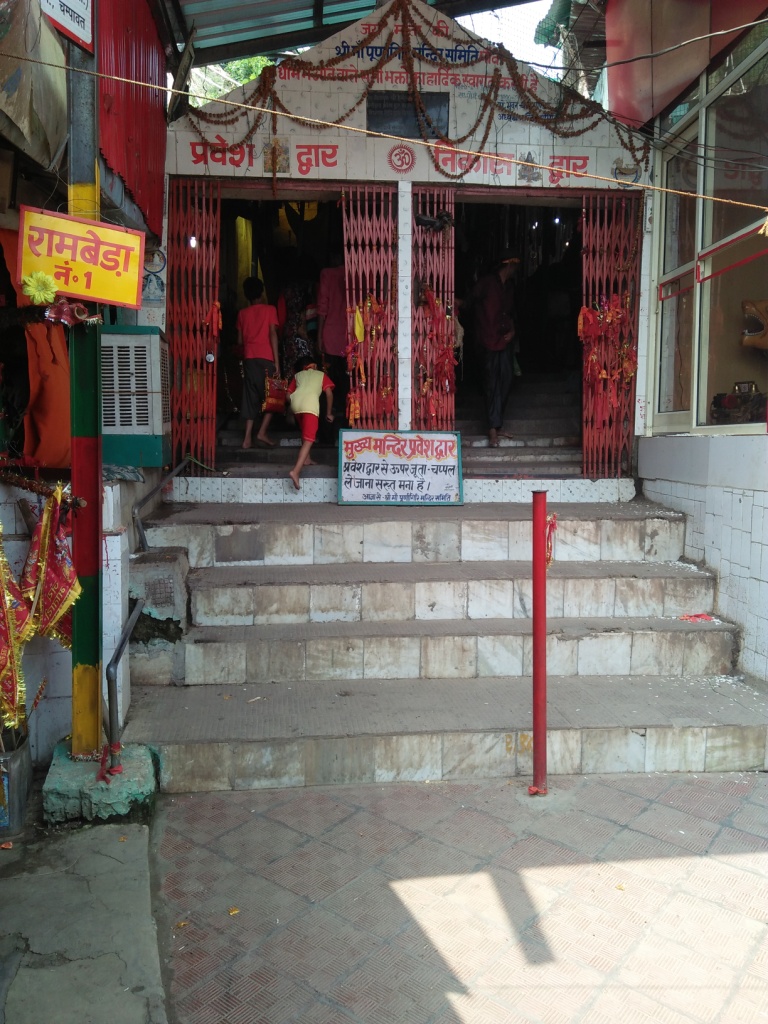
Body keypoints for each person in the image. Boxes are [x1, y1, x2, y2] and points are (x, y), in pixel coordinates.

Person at [472, 248, 520, 447]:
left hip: (504, 340)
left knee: (506, 379)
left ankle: (497, 425)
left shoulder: (509, 287)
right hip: (488, 340)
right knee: (491, 384)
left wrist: (513, 330)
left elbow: (511, 313)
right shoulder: (487, 283)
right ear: (509, 264)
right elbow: (470, 302)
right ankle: (493, 430)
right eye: (515, 265)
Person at [236, 276, 280, 449]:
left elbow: (239, 341)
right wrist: (276, 361)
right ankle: (262, 432)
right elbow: (273, 335)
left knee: (250, 396)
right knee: (273, 397)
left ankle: (247, 438)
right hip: (266, 357)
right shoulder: (270, 310)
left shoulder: (242, 314)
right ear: (262, 292)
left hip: (249, 358)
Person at [286, 355, 334, 490]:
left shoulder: (298, 375)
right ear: (315, 366)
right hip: (310, 406)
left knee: (304, 432)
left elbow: (287, 395)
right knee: (309, 439)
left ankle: (307, 458)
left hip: (296, 405)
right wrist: (329, 412)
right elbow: (329, 394)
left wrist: (293, 406)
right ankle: (295, 471)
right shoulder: (321, 375)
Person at [316, 249, 348, 436]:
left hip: (330, 336)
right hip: (351, 339)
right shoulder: (355, 274)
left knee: (328, 387)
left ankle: (327, 433)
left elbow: (322, 308)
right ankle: (348, 430)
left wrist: (319, 336)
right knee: (348, 387)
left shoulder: (327, 274)